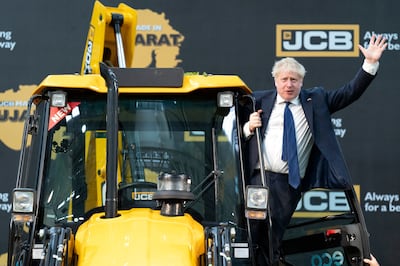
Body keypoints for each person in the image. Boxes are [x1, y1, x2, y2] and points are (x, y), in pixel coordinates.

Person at [242, 35, 387, 265]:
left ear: (302, 82)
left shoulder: (316, 100)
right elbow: (226, 127)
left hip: (287, 183)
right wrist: (248, 127)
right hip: (256, 178)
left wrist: (369, 64)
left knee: (272, 237)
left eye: (294, 80)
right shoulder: (256, 101)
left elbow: (350, 92)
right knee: (247, 236)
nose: (289, 84)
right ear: (275, 81)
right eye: (284, 79)